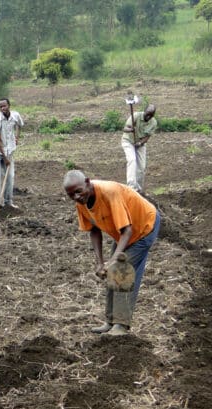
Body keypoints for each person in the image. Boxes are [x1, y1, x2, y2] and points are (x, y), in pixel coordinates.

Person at [63, 170, 160, 336]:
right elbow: (94, 231)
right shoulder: (81, 203)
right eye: (71, 195)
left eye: (78, 191)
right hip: (123, 233)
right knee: (111, 272)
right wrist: (100, 263)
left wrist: (114, 260)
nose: (76, 197)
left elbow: (127, 231)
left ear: (87, 182)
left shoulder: (109, 193)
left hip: (144, 226)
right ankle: (110, 321)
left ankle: (121, 325)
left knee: (121, 270)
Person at [0, 98, 24, 210]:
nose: (2, 108)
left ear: (9, 105)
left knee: (10, 176)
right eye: (0, 107)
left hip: (9, 149)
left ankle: (9, 202)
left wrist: (17, 137)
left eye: (4, 106)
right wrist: (5, 158)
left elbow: (20, 125)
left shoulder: (15, 115)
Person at [121, 104, 157, 193]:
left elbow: (147, 137)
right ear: (144, 111)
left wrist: (140, 143)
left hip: (140, 144)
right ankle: (131, 187)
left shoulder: (153, 122)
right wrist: (131, 129)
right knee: (132, 160)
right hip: (128, 141)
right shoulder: (136, 116)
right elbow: (125, 128)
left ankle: (139, 190)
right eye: (147, 114)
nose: (148, 117)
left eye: (151, 115)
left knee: (141, 167)